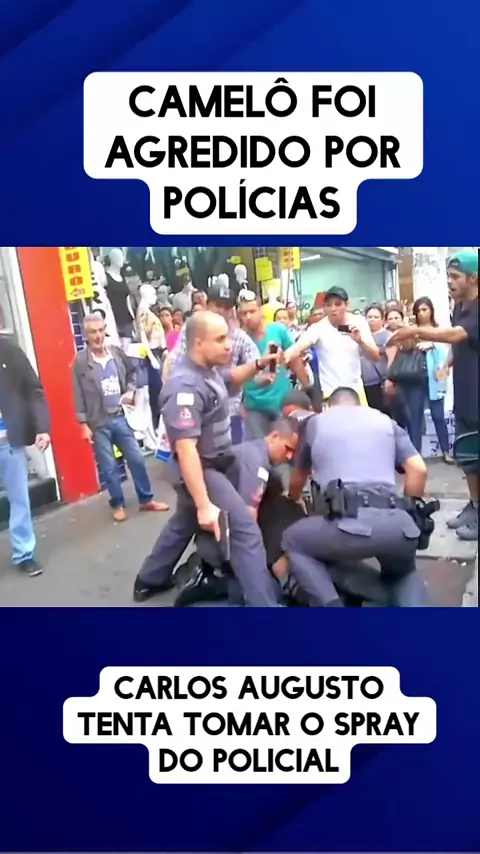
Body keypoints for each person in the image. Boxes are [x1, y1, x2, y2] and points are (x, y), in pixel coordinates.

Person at [133, 311, 285, 606]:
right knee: (244, 532)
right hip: (203, 469)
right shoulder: (185, 387)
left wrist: (258, 364)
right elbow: (186, 449)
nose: (229, 345)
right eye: (220, 339)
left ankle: (149, 579)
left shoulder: (207, 371)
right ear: (198, 343)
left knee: (183, 522)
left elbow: (231, 377)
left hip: (216, 463)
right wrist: (204, 505)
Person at [281, 387, 430, 607]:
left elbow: (297, 480)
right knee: (403, 574)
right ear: (358, 404)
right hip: (396, 524)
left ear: (329, 406)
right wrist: (410, 511)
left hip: (347, 524)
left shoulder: (316, 423)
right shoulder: (385, 421)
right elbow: (419, 469)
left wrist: (294, 498)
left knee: (292, 540)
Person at [388, 248, 478, 541]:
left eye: (456, 276)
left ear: (474, 278)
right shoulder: (460, 305)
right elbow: (460, 342)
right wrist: (447, 364)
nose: (450, 281)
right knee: (468, 456)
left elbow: (456, 335)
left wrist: (413, 330)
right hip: (465, 392)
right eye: (448, 276)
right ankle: (475, 506)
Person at [72, 314, 169, 522]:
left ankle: (146, 499)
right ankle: (117, 503)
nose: (98, 336)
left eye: (100, 331)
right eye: (93, 332)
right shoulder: (80, 362)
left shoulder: (116, 353)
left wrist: (131, 391)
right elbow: (77, 393)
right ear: (86, 336)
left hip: (120, 417)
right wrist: (83, 424)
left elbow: (132, 372)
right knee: (109, 467)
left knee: (136, 458)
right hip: (98, 422)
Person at [163, 285, 260, 445]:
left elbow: (258, 372)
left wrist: (261, 370)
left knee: (231, 456)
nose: (222, 311)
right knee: (191, 451)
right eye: (218, 305)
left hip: (230, 412)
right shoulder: (192, 329)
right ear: (208, 305)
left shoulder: (238, 336)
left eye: (227, 307)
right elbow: (173, 362)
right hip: (196, 410)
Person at [0, 334, 51, 577]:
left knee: (19, 498)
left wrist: (42, 427)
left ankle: (24, 554)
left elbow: (33, 390)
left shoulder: (11, 352)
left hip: (7, 441)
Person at [283, 287, 380, 405]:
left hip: (355, 391)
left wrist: (360, 341)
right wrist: (282, 359)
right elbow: (297, 348)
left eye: (338, 304)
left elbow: (375, 356)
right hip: (330, 393)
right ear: (324, 308)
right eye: (328, 305)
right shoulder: (318, 328)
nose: (333, 309)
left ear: (346, 305)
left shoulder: (359, 322)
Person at [236, 291, 312, 439]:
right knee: (259, 449)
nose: (248, 317)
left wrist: (306, 388)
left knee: (286, 443)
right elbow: (236, 373)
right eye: (244, 314)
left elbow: (294, 359)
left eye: (252, 311)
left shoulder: (278, 330)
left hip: (281, 403)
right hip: (254, 407)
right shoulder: (239, 339)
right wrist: (240, 405)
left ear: (260, 311)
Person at [361, 304, 391, 413]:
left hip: (379, 381)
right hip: (362, 383)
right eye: (369, 317)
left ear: (382, 319)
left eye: (376, 317)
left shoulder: (388, 336)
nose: (372, 320)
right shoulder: (360, 335)